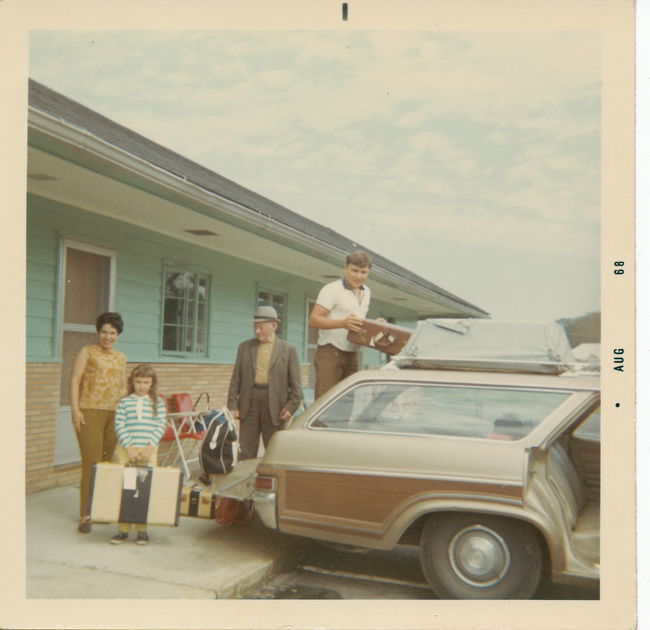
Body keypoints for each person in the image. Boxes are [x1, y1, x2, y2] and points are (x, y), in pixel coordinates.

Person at [70, 312, 126, 534]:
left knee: (106, 462)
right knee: (91, 463)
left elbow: (123, 385)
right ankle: (86, 514)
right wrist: (75, 410)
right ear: (98, 331)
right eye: (104, 331)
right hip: (90, 411)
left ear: (118, 335)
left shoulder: (121, 357)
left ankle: (101, 509)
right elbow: (75, 380)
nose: (107, 336)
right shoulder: (87, 352)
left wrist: (123, 396)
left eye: (112, 333)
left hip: (113, 413)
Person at [227, 306, 302, 460]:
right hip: (249, 402)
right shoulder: (245, 347)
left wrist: (291, 407)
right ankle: (246, 482)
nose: (257, 331)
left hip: (276, 406)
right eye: (255, 326)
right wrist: (232, 404)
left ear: (273, 326)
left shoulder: (289, 350)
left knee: (274, 451)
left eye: (260, 326)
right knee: (246, 450)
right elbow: (236, 377)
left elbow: (296, 385)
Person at [110, 364, 167, 545]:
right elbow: (120, 425)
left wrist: (149, 447)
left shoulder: (158, 403)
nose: (142, 386)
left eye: (146, 382)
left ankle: (142, 530)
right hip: (127, 450)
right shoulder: (124, 402)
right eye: (138, 382)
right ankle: (123, 529)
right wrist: (130, 448)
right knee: (127, 488)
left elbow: (160, 426)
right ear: (132, 382)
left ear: (152, 384)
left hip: (149, 450)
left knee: (144, 489)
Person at [308, 250, 373, 398]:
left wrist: (374, 325)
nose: (358, 276)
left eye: (363, 272)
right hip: (331, 351)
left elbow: (357, 322)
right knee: (326, 400)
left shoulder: (367, 292)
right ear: (345, 268)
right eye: (354, 271)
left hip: (353, 352)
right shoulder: (332, 289)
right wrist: (342, 323)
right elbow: (313, 320)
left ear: (369, 272)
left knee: (347, 401)